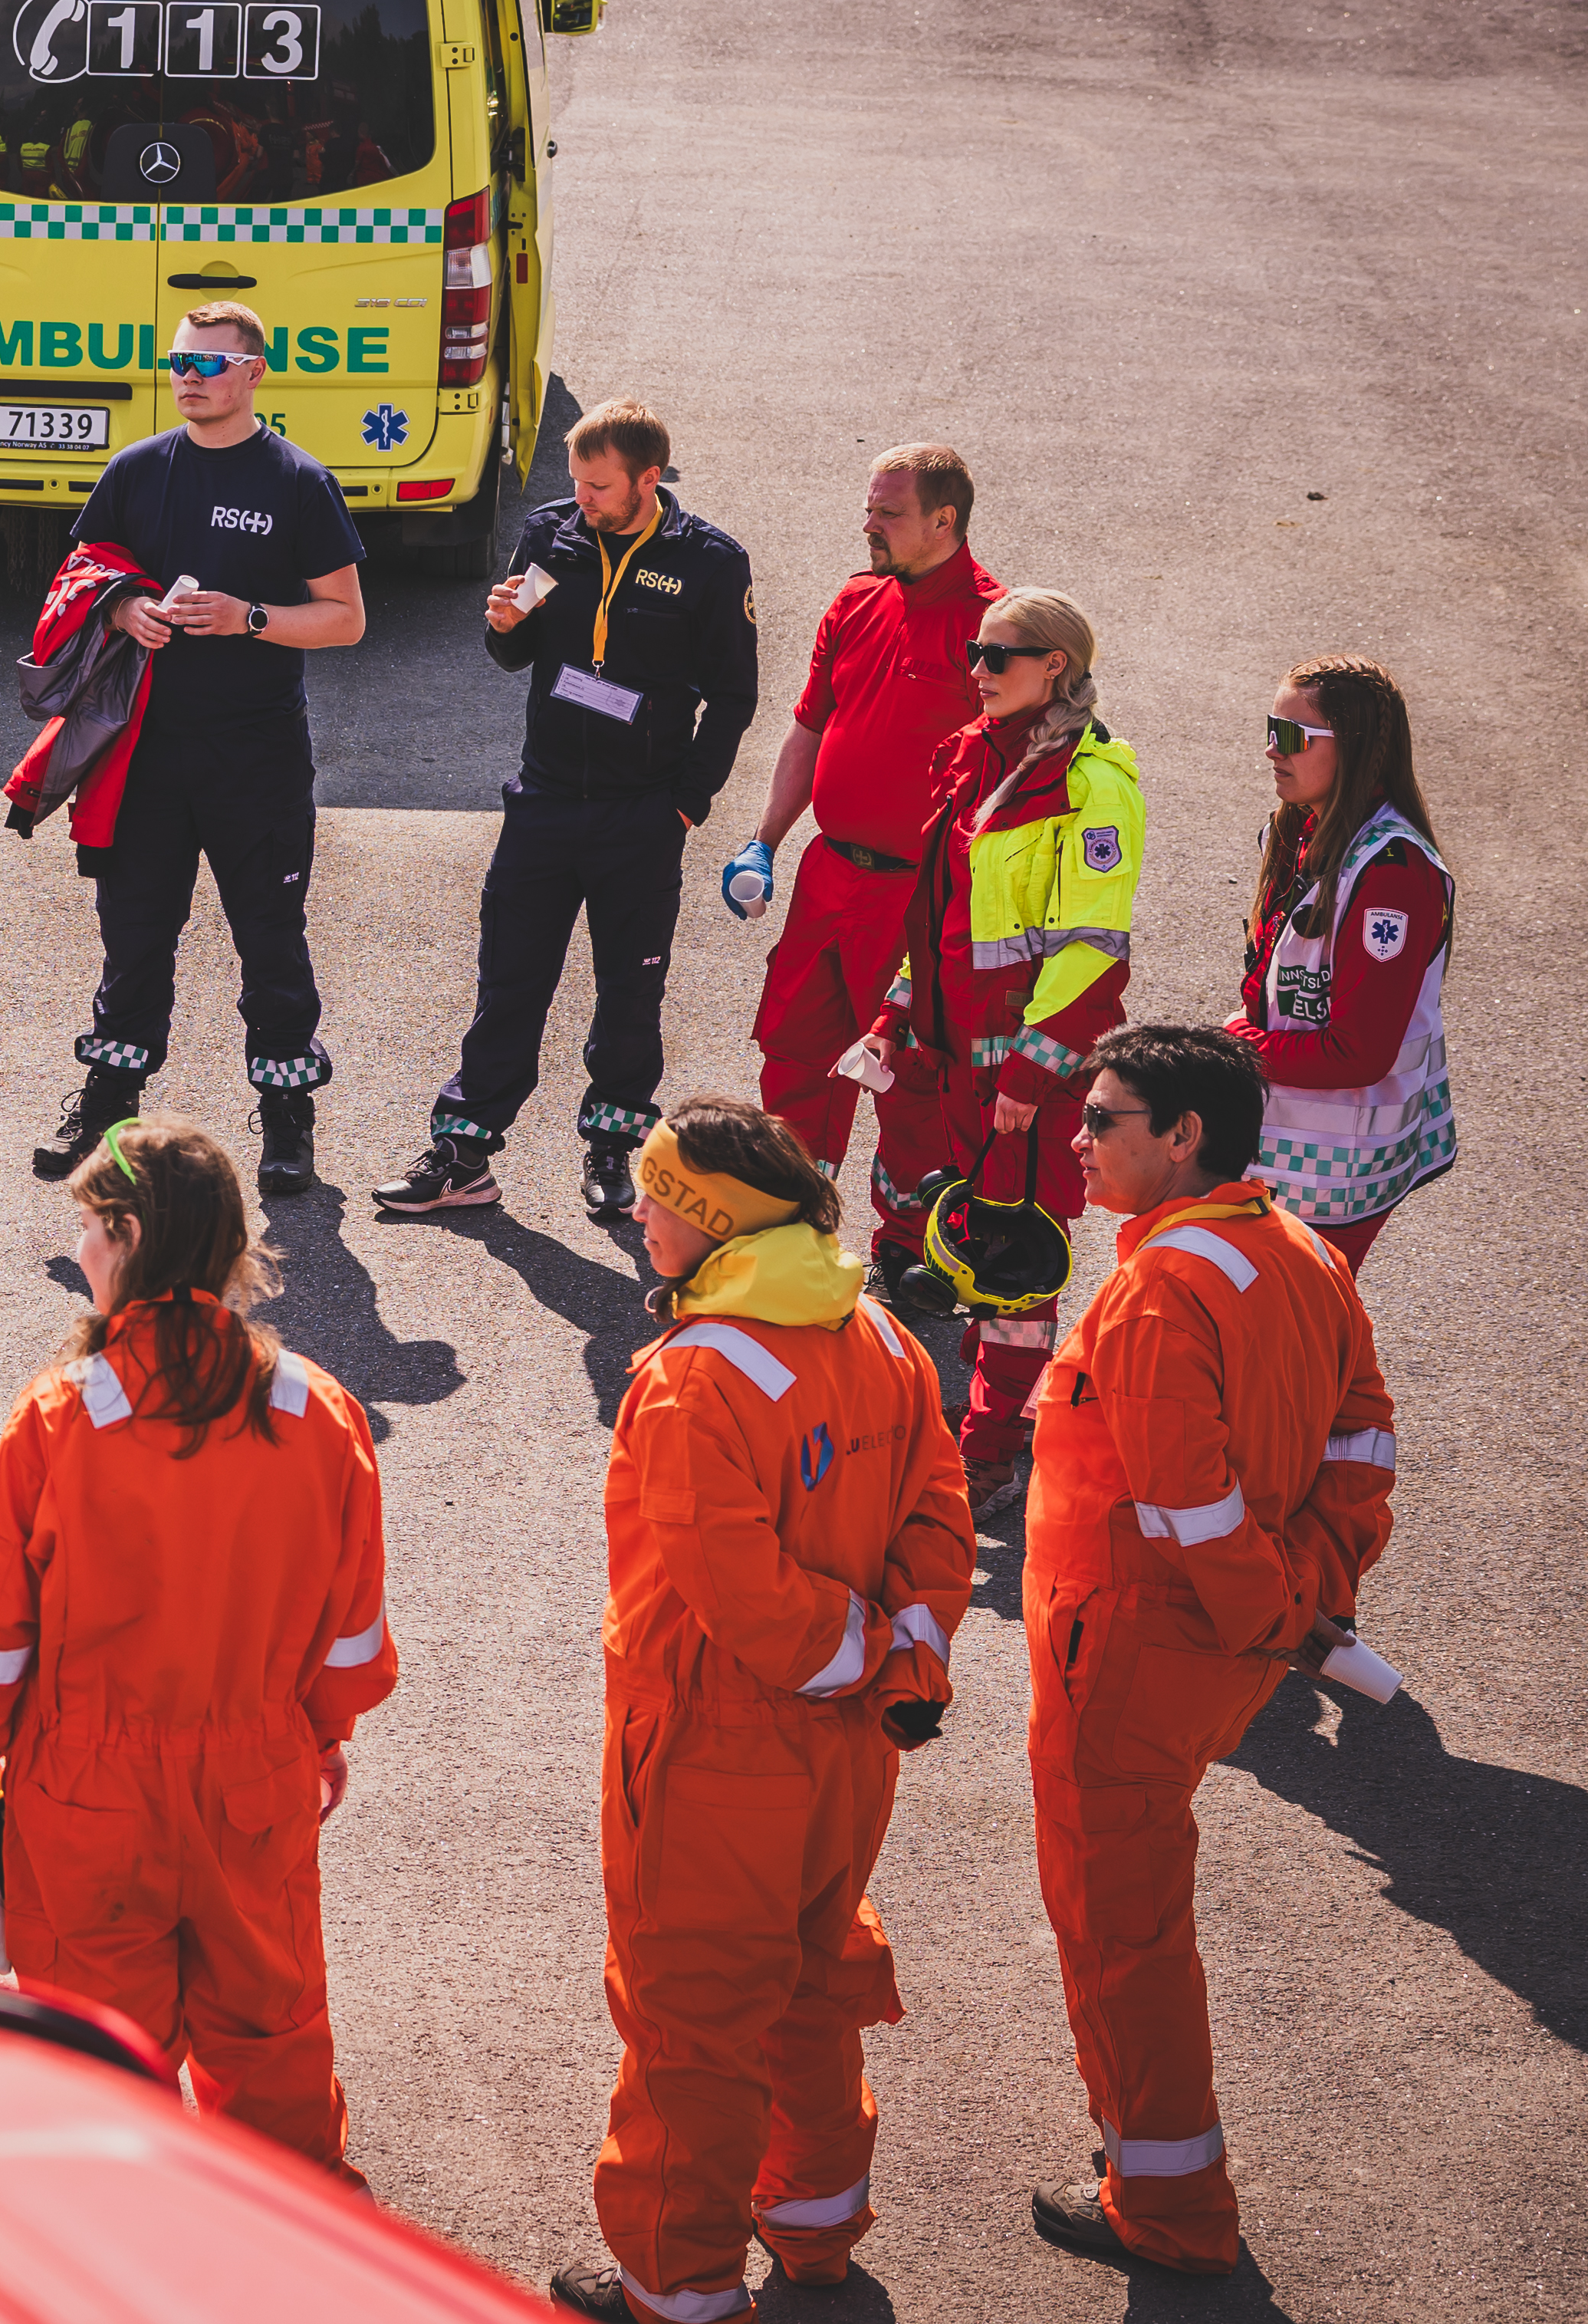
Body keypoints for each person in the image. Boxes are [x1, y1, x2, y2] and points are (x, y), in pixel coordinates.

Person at [552, 1097, 970, 2323]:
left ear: (714, 1220)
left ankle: (678, 2289)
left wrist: (849, 1660)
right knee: (812, 1982)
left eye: (659, 1198)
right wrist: (902, 1661)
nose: (638, 1213)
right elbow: (939, 1515)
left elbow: (734, 1587)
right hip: (850, 1749)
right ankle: (819, 2225)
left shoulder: (693, 1379)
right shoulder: (882, 1337)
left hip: (716, 1750)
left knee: (692, 2021)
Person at [0, 1118, 393, 2181]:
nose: (81, 1254)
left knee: (97, 2070)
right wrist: (314, 1739)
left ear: (130, 1237)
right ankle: (296, 2267)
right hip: (256, 1776)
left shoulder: (61, 1416)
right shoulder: (317, 1412)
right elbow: (351, 1629)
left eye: (90, 1231)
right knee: (272, 2052)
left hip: (88, 1795)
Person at [1018, 1027, 1396, 2281]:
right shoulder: (1299, 1252)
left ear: (1184, 1137)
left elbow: (1189, 1508)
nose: (1077, 1138)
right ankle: (1149, 2168)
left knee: (1118, 1931)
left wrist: (1275, 1613)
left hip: (1124, 1651)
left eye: (1105, 1117)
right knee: (1130, 1918)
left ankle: (1167, 2209)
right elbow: (1363, 1438)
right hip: (1208, 1649)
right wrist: (1320, 1584)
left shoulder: (1158, 1290)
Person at [375, 399, 759, 1224]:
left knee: (630, 991)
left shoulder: (711, 563)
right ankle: (464, 1152)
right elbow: (516, 648)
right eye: (576, 482)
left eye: (598, 486)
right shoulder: (552, 533)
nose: (581, 498)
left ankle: (614, 1145)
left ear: (647, 480)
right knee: (509, 981)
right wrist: (505, 627)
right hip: (544, 799)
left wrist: (687, 803)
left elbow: (732, 697)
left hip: (643, 814)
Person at [38, 304, 367, 1200]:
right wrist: (120, 609)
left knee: (270, 937)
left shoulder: (299, 481)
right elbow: (81, 574)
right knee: (133, 936)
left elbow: (346, 618)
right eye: (178, 359)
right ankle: (107, 1110)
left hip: (255, 758)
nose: (189, 375)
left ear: (255, 372)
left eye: (210, 364)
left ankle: (288, 1118)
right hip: (142, 755)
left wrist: (247, 617)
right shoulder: (136, 469)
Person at [859, 587, 1139, 1478]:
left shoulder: (1093, 786)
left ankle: (990, 1451)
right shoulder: (969, 755)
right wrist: (899, 1007)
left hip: (1025, 1078)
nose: (976, 671)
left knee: (1017, 1264)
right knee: (973, 1247)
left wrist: (1029, 1072)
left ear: (1054, 666)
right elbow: (942, 919)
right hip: (954, 1063)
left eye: (997, 656)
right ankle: (989, 1425)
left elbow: (1094, 953)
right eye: (974, 654)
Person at [732, 446, 998, 1180]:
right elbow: (811, 727)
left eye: (889, 512)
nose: (869, 525)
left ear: (943, 521)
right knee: (792, 1056)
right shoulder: (856, 601)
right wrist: (765, 842)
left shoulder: (994, 628)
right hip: (831, 878)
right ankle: (789, 1220)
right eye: (869, 508)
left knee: (907, 1079)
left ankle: (907, 1253)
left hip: (920, 896)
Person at [1228, 657, 1452, 1268]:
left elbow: (1361, 1052)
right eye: (1272, 729)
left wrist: (1234, 1050)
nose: (1273, 751)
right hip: (1293, 1150)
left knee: (1296, 1343)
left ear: (1351, 749)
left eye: (1293, 737)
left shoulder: (1390, 878)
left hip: (1339, 1170)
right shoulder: (1307, 828)